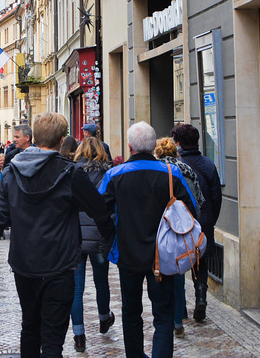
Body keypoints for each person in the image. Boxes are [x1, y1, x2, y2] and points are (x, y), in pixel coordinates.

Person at [0, 112, 113, 358]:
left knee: (29, 327)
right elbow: (100, 212)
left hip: (25, 264)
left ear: (34, 138)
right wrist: (109, 240)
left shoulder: (10, 173)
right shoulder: (71, 174)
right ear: (62, 141)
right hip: (59, 265)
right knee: (52, 339)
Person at [99, 121, 198, 358]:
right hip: (163, 256)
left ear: (130, 146)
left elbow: (99, 212)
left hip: (128, 253)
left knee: (131, 311)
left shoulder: (114, 175)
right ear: (153, 146)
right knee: (163, 314)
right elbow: (192, 210)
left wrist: (112, 237)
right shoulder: (172, 174)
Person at [69, 135, 116, 352]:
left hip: (76, 234)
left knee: (76, 288)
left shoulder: (71, 172)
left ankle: (79, 335)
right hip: (99, 232)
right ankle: (104, 318)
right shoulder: (108, 173)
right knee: (101, 280)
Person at [172, 124, 222, 324]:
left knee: (180, 260)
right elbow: (216, 197)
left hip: (182, 220)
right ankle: (201, 297)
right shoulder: (208, 165)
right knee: (200, 260)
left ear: (178, 143)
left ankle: (182, 305)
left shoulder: (175, 165)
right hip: (205, 218)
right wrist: (210, 220)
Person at [154, 136, 203, 335]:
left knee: (159, 274)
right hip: (180, 230)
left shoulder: (154, 171)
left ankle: (163, 318)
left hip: (159, 231)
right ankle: (177, 322)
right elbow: (197, 201)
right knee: (178, 276)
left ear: (158, 153)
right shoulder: (187, 171)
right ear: (176, 152)